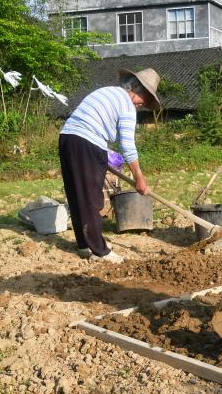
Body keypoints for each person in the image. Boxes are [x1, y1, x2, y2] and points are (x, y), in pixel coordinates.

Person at [58, 68, 160, 264]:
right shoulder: (127, 106)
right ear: (136, 90)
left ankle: (84, 245)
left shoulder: (107, 92)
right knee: (91, 200)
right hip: (86, 142)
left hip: (67, 139)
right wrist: (139, 176)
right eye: (144, 100)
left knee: (77, 194)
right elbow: (127, 145)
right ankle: (100, 251)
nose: (142, 106)